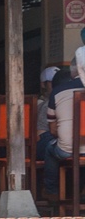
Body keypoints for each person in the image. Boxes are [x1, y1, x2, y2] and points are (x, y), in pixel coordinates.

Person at [42, 47, 85, 204]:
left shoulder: (57, 92)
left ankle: (52, 191)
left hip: (66, 150)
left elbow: (53, 130)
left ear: (74, 71)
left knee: (49, 147)